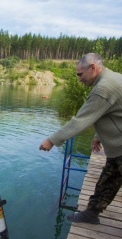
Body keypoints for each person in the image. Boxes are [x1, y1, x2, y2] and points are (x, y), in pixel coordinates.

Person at [39, 53, 122, 224]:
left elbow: (81, 120)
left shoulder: (104, 88)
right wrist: (99, 136)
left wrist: (52, 140)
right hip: (117, 149)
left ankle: (92, 212)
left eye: (80, 74)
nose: (79, 79)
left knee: (109, 178)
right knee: (109, 179)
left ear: (93, 67)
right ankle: (92, 213)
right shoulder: (114, 78)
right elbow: (115, 114)